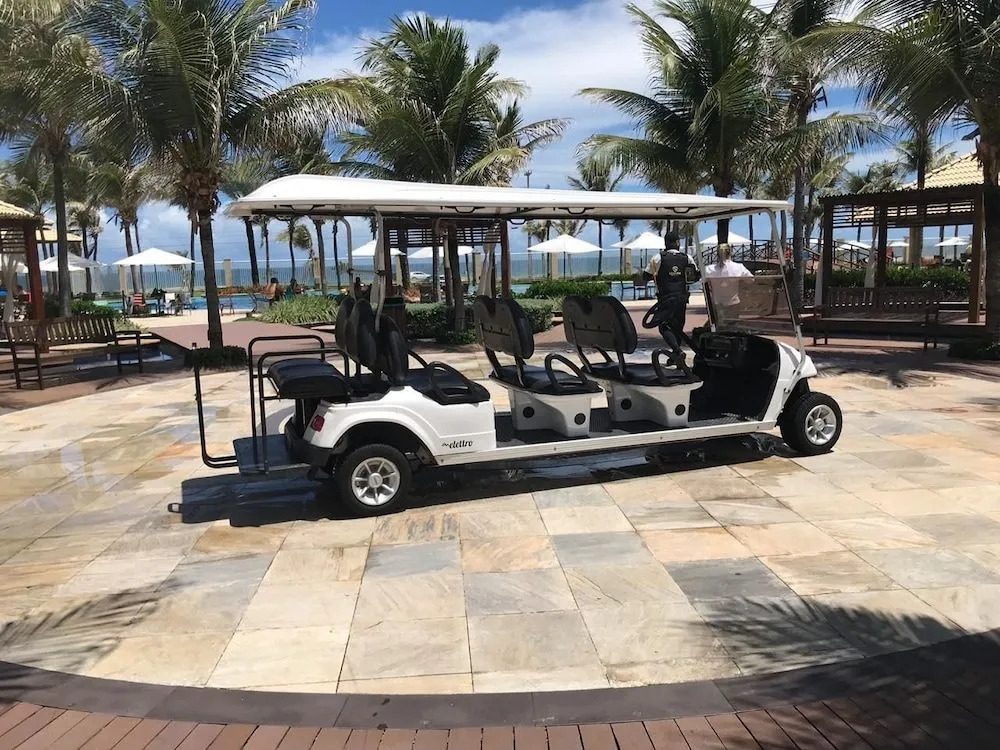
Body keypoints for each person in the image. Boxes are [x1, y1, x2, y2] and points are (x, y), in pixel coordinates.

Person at [643, 230, 700, 341]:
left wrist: (659, 277)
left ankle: (676, 349)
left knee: (663, 326)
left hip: (665, 298)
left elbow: (646, 276)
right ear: (678, 242)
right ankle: (677, 349)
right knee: (679, 325)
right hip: (681, 298)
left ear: (665, 243)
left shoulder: (657, 258)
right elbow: (696, 276)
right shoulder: (686, 257)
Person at [703, 243, 752, 323]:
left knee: (718, 326)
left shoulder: (708, 269)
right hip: (733, 304)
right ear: (730, 253)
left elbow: (704, 285)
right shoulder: (739, 267)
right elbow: (751, 280)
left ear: (717, 254)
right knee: (733, 326)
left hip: (717, 305)